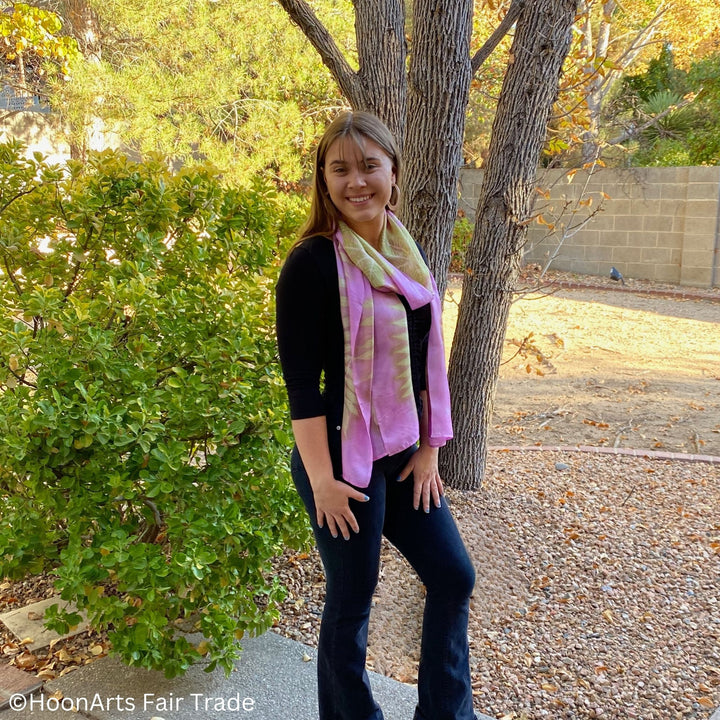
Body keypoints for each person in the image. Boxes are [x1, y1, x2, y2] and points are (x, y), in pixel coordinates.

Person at [275, 110, 477, 720]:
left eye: (369, 166)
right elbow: (303, 392)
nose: (356, 181)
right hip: (340, 463)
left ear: (393, 171)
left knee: (452, 575)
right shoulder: (310, 264)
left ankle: (446, 713)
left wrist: (429, 450)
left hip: (405, 452)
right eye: (340, 169)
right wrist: (322, 485)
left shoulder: (404, 254)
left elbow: (424, 363)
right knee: (352, 602)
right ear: (323, 180)